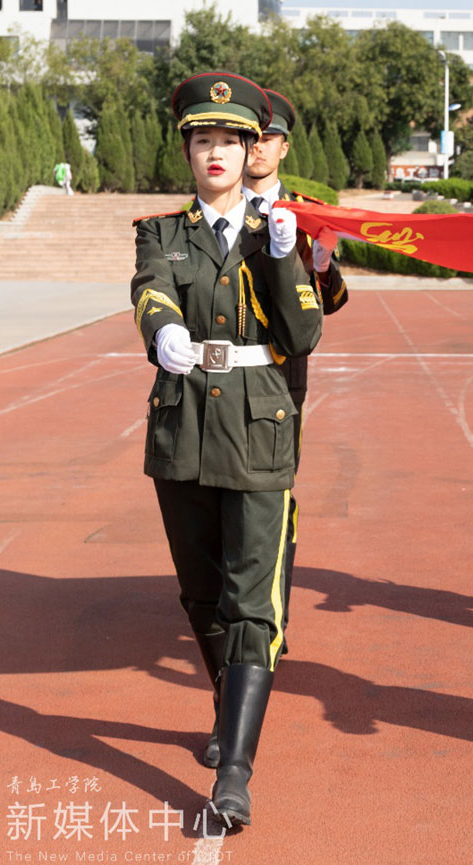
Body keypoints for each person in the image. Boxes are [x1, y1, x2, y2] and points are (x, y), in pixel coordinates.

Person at [130, 71, 323, 828]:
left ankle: (236, 768)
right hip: (182, 424)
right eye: (202, 139)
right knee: (202, 593)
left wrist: (281, 256)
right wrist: (162, 330)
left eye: (231, 141)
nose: (216, 152)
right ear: (186, 149)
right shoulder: (162, 231)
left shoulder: (276, 231)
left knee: (252, 600)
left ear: (254, 151)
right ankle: (226, 706)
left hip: (257, 425)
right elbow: (151, 289)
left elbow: (303, 334)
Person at [242, 86, 349, 664]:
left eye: (267, 139)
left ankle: (269, 616)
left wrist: (324, 265)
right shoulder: (214, 209)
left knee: (274, 491)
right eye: (247, 138)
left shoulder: (308, 212)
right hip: (220, 373)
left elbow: (333, 300)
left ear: (283, 148)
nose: (256, 149)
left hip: (283, 373)